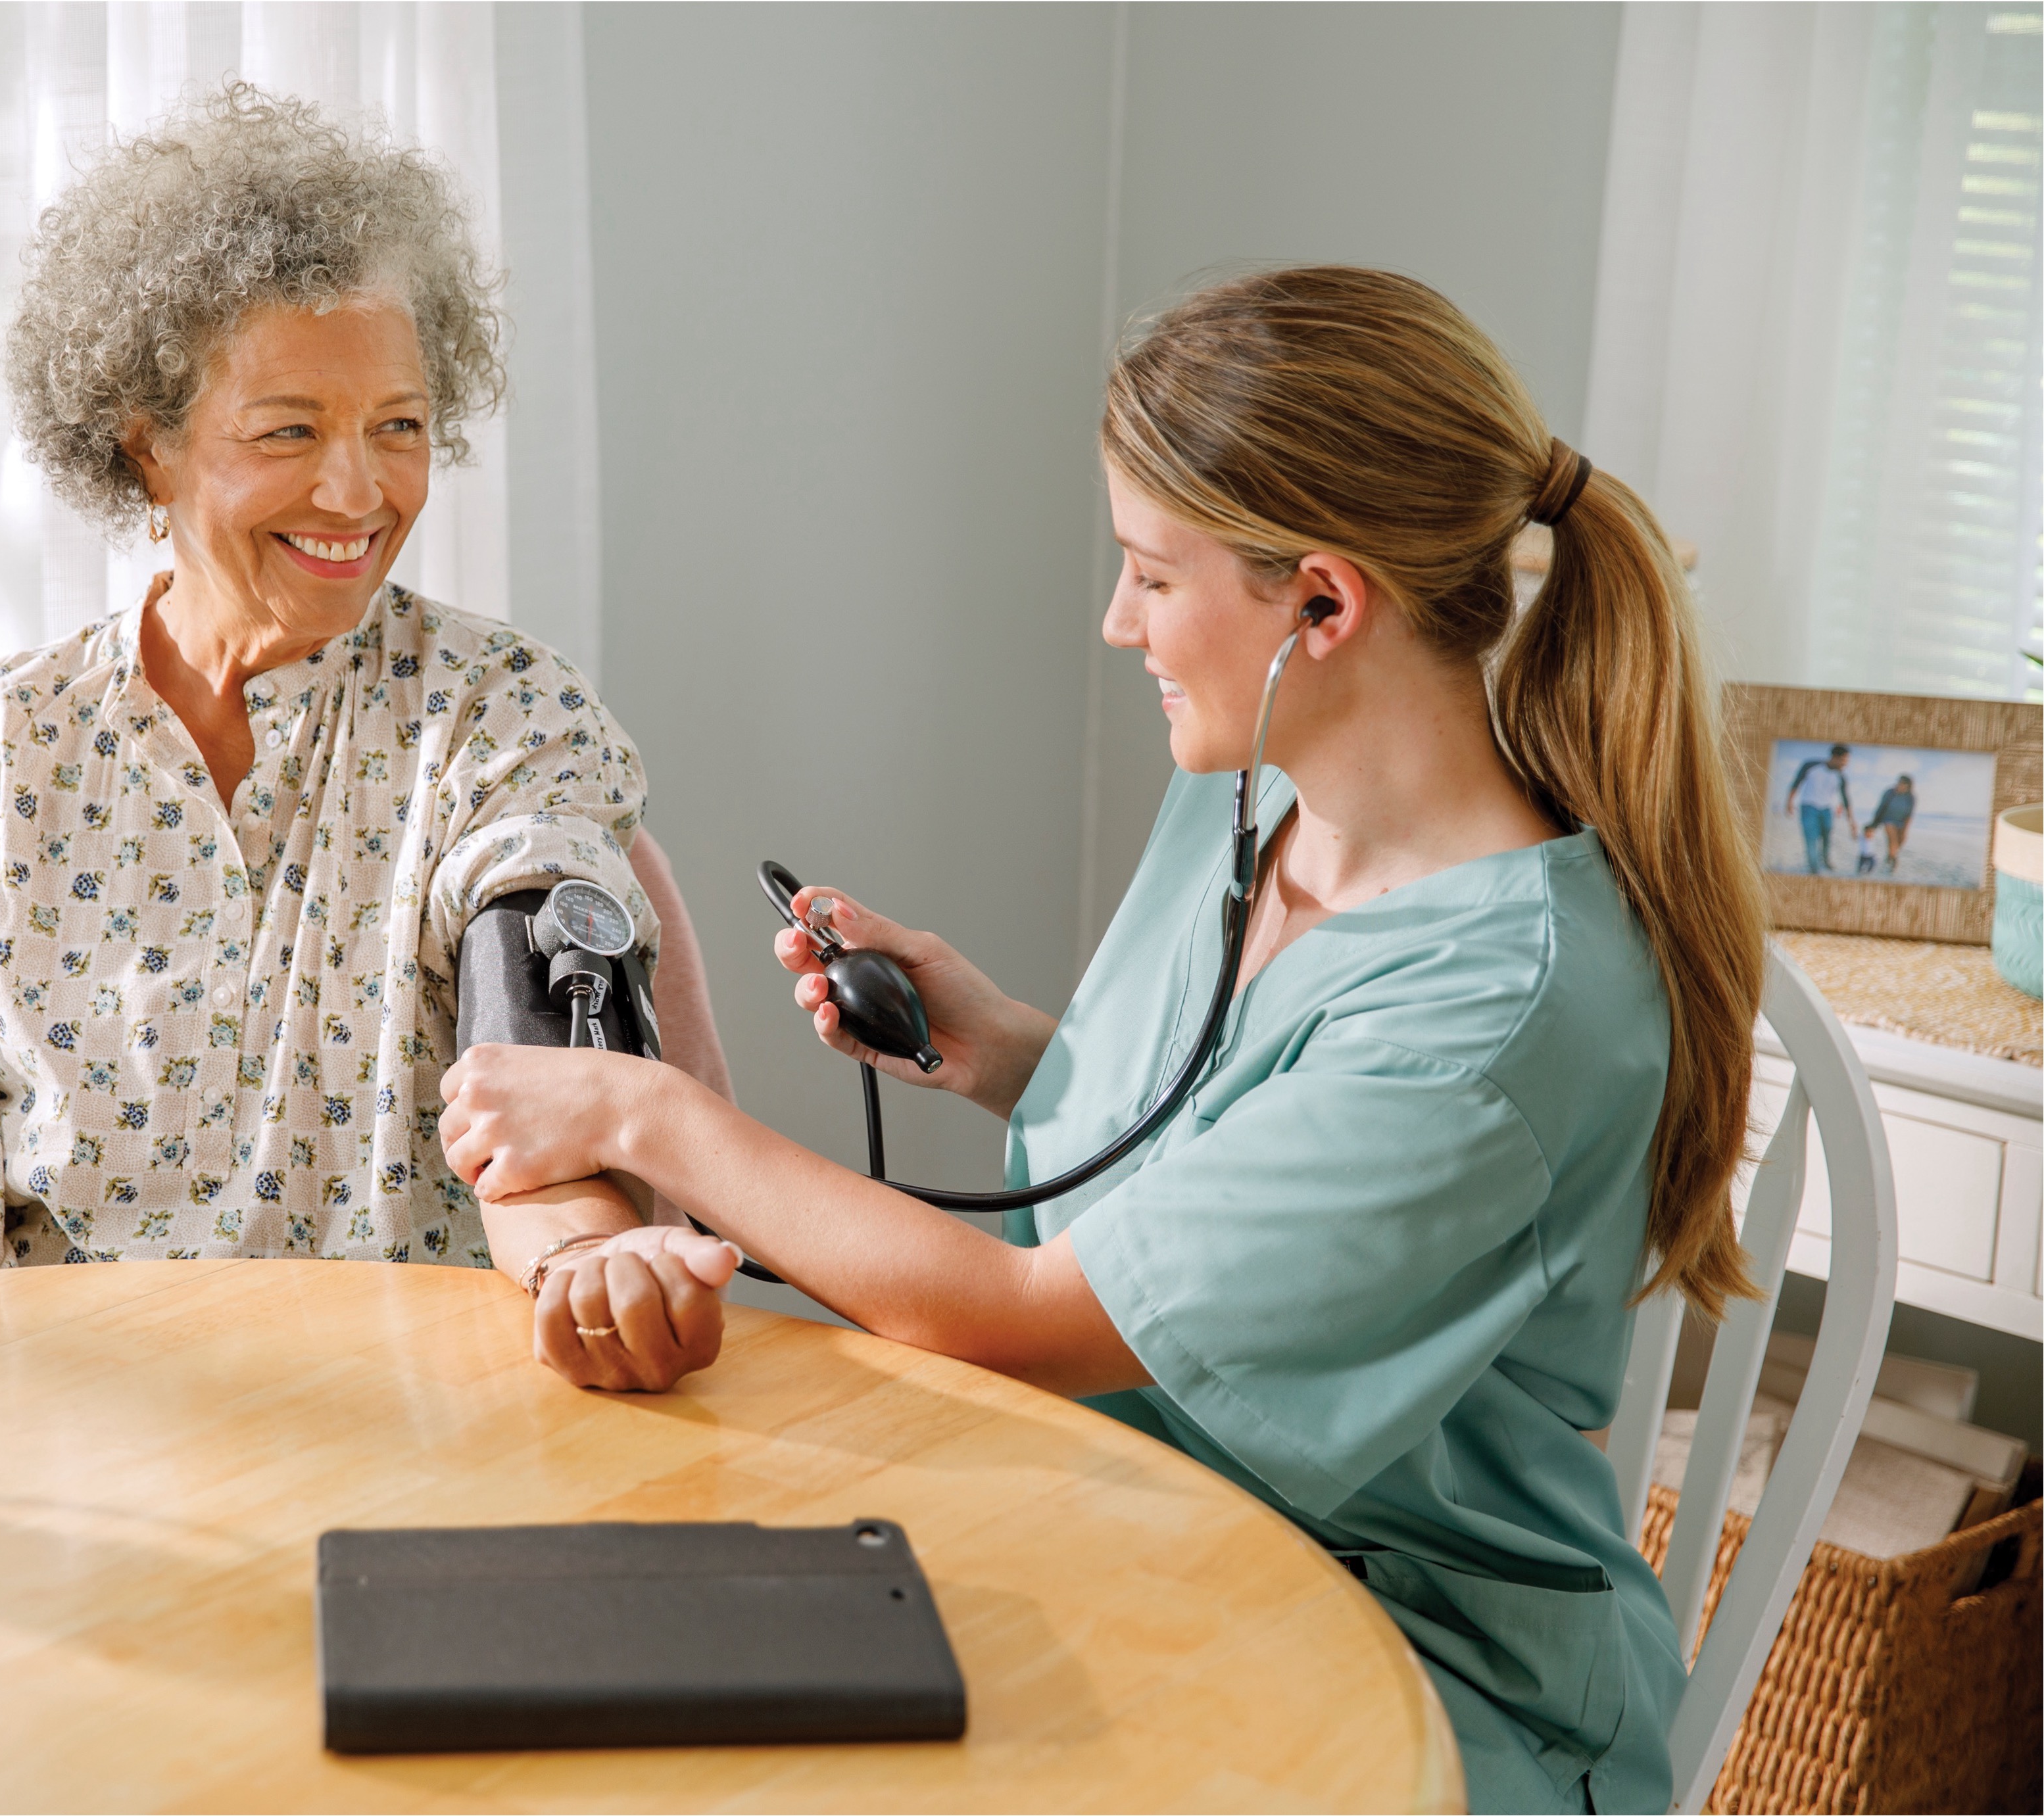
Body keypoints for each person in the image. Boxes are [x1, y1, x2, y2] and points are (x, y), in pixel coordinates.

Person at [438, 267, 1770, 1812]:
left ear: (1321, 606)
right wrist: (1004, 1046)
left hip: (1405, 1659)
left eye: (1150, 575)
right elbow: (1219, 1137)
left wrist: (648, 1115)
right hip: (1121, 1521)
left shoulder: (1506, 1007)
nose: (1113, 620)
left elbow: (1031, 1313)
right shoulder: (1254, 795)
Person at [0, 85, 732, 1304]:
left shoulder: (501, 718)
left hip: (426, 1429)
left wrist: (589, 1266)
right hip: (70, 1441)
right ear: (148, 443)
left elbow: (550, 1079)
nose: (357, 492)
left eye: (399, 425)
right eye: (288, 432)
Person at [1785, 744, 1855, 874]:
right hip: (1808, 808)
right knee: (1811, 839)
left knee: (1827, 837)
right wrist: (1789, 802)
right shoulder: (1811, 766)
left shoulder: (1841, 776)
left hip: (1827, 810)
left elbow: (1846, 799)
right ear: (1835, 757)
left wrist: (1852, 822)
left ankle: (1826, 859)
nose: (1846, 764)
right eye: (1844, 760)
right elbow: (1796, 783)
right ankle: (1814, 869)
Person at [1866, 774, 1916, 874]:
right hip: (1888, 819)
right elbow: (1881, 807)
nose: (1899, 785)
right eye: (1899, 782)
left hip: (1901, 822)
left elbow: (1910, 815)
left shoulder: (1911, 798)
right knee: (1892, 839)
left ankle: (1890, 856)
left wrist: (1905, 831)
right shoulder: (1889, 793)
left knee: (1899, 842)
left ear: (1908, 786)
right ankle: (1894, 861)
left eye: (1903, 784)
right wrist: (1874, 823)